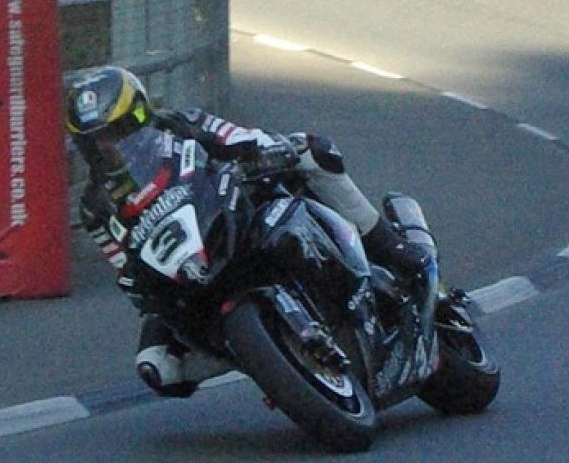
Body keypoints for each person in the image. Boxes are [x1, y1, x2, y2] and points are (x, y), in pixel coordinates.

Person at [65, 66, 430, 397]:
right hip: (187, 270)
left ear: (138, 117)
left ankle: (390, 244)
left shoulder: (178, 126)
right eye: (93, 141)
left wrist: (263, 148)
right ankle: (270, 361)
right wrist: (138, 286)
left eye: (112, 133)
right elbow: (121, 265)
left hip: (232, 211)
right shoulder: (95, 206)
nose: (105, 146)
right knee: (157, 368)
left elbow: (235, 135)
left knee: (312, 151)